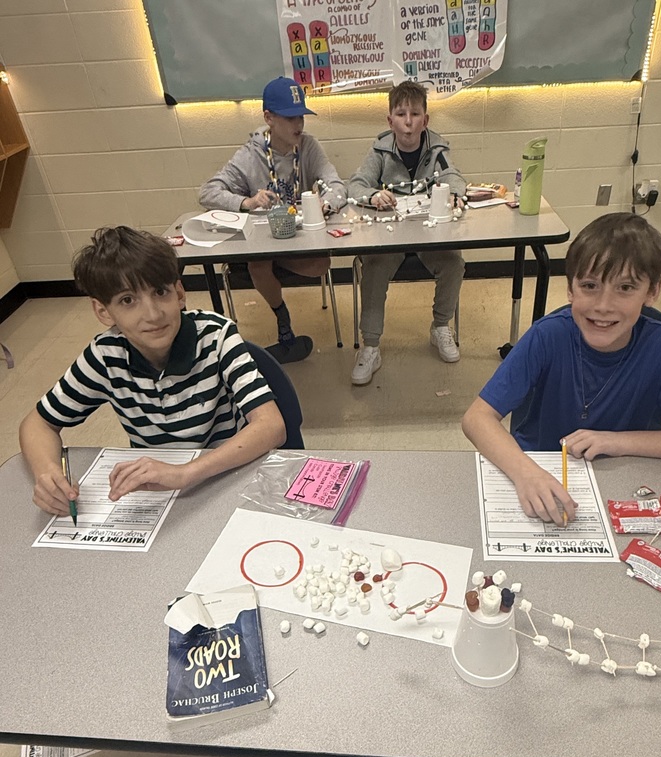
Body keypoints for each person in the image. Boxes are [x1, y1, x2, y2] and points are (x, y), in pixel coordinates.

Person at [462, 212, 661, 524]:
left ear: (652, 292)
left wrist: (616, 441)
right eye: (590, 285)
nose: (603, 305)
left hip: (631, 478)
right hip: (541, 474)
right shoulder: (547, 336)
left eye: (625, 288)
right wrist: (525, 472)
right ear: (571, 289)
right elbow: (477, 418)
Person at [19, 226, 286, 518]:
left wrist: (185, 473)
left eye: (160, 292)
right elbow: (38, 423)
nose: (153, 314)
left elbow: (271, 425)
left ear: (179, 293)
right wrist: (47, 474)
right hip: (156, 492)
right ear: (103, 312)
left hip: (223, 476)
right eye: (127, 300)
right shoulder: (105, 356)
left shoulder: (217, 336)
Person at [199, 77, 347, 364]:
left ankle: (269, 273)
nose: (299, 124)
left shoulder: (308, 146)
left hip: (298, 239)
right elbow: (207, 192)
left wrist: (327, 203)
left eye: (301, 116)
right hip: (263, 241)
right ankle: (282, 318)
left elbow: (336, 184)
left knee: (321, 264)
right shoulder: (250, 155)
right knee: (258, 264)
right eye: (290, 118)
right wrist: (246, 202)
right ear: (269, 118)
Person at [347, 81, 466, 385]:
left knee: (453, 262)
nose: (408, 122)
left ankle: (440, 327)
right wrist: (373, 195)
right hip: (391, 236)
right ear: (391, 121)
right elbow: (356, 185)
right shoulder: (380, 150)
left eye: (415, 114)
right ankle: (371, 346)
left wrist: (454, 193)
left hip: (428, 234)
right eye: (401, 114)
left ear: (426, 120)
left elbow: (453, 176)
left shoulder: (437, 148)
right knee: (373, 267)